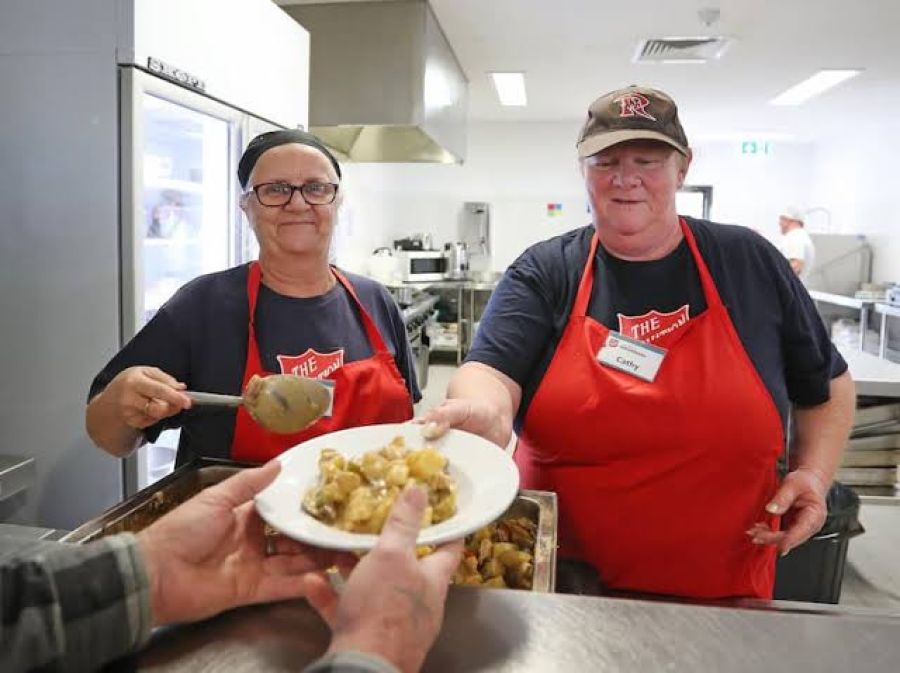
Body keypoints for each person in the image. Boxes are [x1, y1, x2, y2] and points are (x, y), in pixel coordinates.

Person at [423, 85, 855, 600]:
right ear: (583, 169)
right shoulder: (546, 271)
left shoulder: (748, 263)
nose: (625, 179)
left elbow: (826, 384)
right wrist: (482, 412)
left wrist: (814, 472)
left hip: (726, 588)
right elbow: (490, 372)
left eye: (647, 160)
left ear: (683, 167)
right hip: (564, 588)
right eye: (605, 161)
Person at [86, 129, 418, 465]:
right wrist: (119, 405)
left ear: (337, 201)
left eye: (316, 188)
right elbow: (109, 438)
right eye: (275, 189)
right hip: (238, 513)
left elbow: (408, 433)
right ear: (247, 207)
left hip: (368, 512)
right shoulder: (202, 306)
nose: (298, 203)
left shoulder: (375, 301)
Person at [1, 461, 462, 672]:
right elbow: (106, 429)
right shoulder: (202, 304)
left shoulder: (374, 303)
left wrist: (154, 573)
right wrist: (376, 651)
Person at [778, 206, 816, 282]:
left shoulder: (794, 236)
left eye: (782, 219)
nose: (779, 223)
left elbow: (795, 265)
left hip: (788, 291)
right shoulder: (801, 236)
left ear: (792, 220)